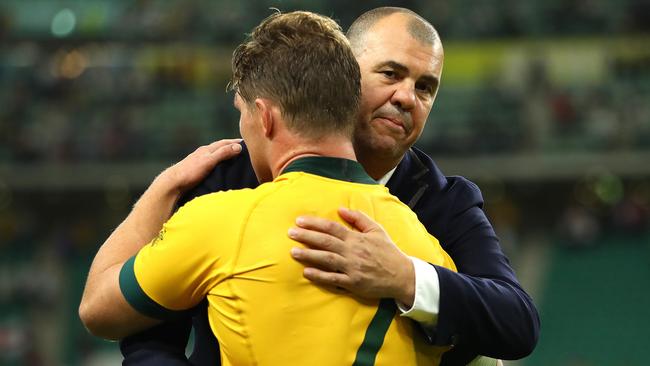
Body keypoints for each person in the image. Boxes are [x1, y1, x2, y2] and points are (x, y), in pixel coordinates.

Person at [121, 7, 540, 366]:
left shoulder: (442, 200)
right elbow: (150, 330)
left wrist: (405, 278)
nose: (407, 97)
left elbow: (516, 321)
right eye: (390, 73)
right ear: (344, 76)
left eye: (425, 87)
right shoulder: (234, 175)